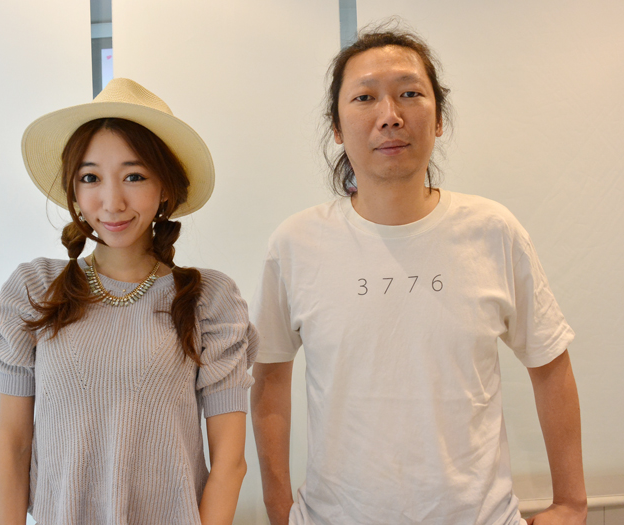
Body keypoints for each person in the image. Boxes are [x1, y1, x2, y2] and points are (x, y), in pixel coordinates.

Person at [250, 23, 586, 525]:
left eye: (409, 93)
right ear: (336, 127)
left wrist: (572, 503)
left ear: (439, 118)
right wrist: (279, 510)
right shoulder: (295, 244)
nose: (390, 116)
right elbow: (270, 378)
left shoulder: (493, 230)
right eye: (365, 97)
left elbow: (550, 364)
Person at [0, 78, 257, 525]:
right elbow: (14, 445)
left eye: (134, 176)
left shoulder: (208, 301)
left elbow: (229, 463)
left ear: (165, 188)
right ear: (74, 190)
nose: (112, 201)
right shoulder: (35, 289)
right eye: (90, 177)